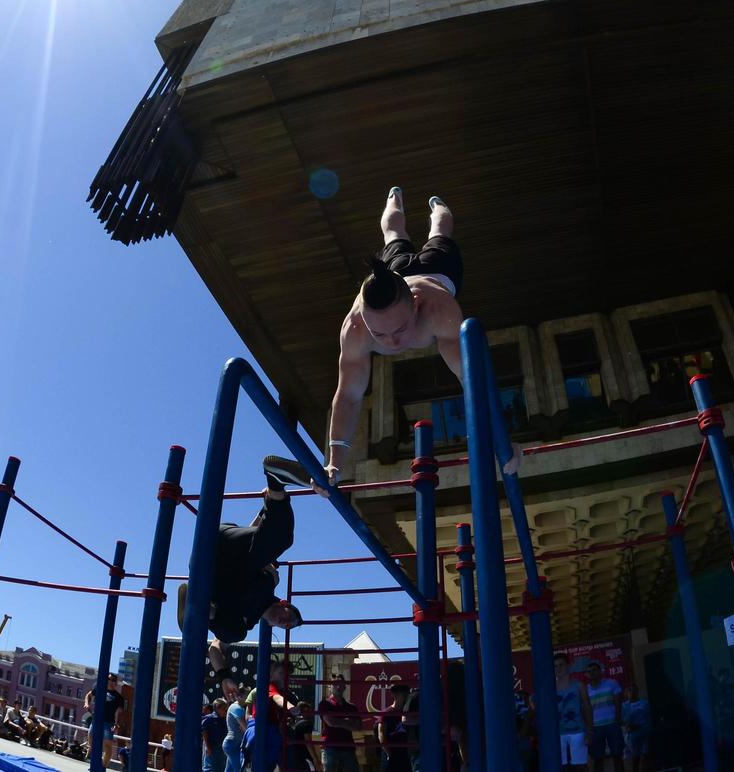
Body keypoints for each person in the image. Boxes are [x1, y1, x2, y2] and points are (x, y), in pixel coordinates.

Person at [322, 188, 519, 486]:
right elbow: (348, 395)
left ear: (415, 304)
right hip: (393, 273)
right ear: (363, 320)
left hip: (437, 273)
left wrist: (500, 439)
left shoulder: (440, 312)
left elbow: (472, 380)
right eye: (380, 334)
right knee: (392, 236)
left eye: (400, 329)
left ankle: (437, 204)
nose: (391, 342)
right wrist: (333, 463)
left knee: (441, 229)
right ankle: (393, 198)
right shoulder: (355, 330)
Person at [176, 457, 311, 673]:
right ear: (284, 602)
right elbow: (252, 544)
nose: (284, 621)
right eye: (289, 616)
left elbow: (215, 648)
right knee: (279, 541)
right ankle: (276, 483)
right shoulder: (270, 582)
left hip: (207, 575)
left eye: (286, 626)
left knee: (236, 633)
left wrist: (224, 677)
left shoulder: (247, 622)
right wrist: (265, 509)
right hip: (220, 544)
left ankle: (198, 607)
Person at [317, 672, 364, 771]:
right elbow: (331, 722)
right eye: (335, 684)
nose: (338, 686)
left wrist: (339, 722)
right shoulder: (324, 703)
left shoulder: (351, 707)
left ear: (345, 686)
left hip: (347, 748)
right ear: (330, 686)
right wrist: (348, 722)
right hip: (330, 747)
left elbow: (359, 726)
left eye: (341, 684)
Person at [584, 660, 624, 772]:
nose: (592, 673)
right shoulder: (585, 690)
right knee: (597, 759)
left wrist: (617, 719)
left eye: (594, 670)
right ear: (586, 674)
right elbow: (584, 710)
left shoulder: (612, 683)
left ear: (600, 671)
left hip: (612, 724)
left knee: (617, 756)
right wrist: (588, 728)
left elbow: (618, 703)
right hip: (595, 727)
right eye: (589, 671)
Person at [554, 652, 592, 770]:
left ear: (568, 666)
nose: (558, 668)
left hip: (578, 731)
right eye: (555, 666)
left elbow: (587, 708)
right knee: (562, 767)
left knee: (580, 767)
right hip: (558, 734)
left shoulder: (579, 685)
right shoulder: (550, 688)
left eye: (561, 665)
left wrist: (590, 730)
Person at [84, 673, 126, 767]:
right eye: (108, 679)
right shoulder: (100, 689)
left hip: (109, 723)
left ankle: (103, 766)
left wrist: (117, 724)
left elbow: (121, 713)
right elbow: (88, 695)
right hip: (96, 719)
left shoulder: (119, 697)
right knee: (90, 737)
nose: (110, 682)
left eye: (112, 680)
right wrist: (87, 703)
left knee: (107, 746)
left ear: (115, 683)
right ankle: (90, 751)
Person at [378, 683, 413, 772]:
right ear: (396, 696)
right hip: (391, 753)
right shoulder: (386, 713)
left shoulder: (407, 713)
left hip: (405, 754)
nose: (406, 699)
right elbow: (381, 734)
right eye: (404, 696)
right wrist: (388, 752)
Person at [620, 682, 650, 772]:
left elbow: (648, 718)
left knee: (645, 755)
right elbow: (622, 720)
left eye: (634, 690)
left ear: (637, 691)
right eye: (629, 690)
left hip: (644, 731)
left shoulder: (645, 703)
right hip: (632, 734)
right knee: (635, 757)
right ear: (626, 692)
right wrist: (628, 724)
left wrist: (646, 728)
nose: (632, 692)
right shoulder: (624, 705)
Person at [286, 699, 321, 771]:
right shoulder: (306, 724)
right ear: (305, 710)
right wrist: (316, 759)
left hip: (293, 757)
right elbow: (308, 743)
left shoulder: (295, 724)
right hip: (304, 757)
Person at [223, 682, 249, 772]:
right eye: (247, 696)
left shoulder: (239, 708)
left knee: (229, 770)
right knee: (240, 770)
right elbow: (245, 727)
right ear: (239, 696)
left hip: (233, 744)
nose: (249, 698)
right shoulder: (236, 708)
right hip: (232, 744)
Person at [202, 697, 228, 772]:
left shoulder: (225, 719)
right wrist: (208, 747)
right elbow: (205, 732)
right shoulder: (209, 719)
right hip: (212, 746)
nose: (226, 711)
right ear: (217, 708)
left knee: (220, 767)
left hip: (222, 747)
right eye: (224, 709)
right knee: (210, 767)